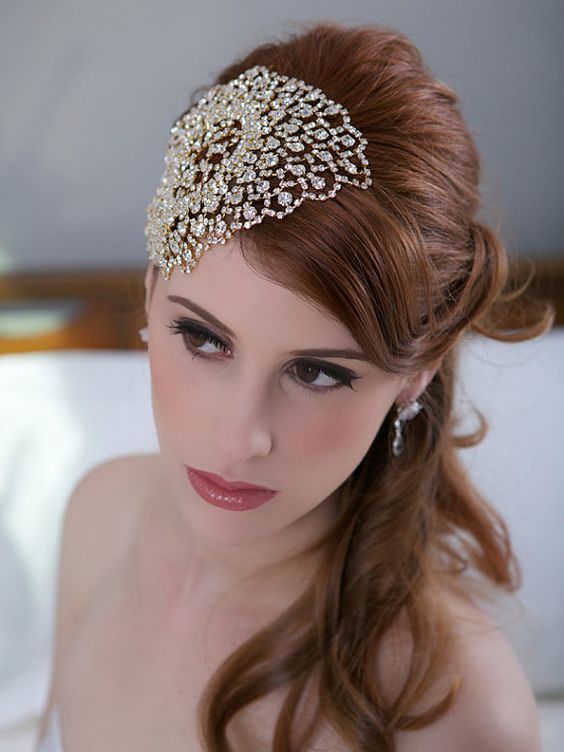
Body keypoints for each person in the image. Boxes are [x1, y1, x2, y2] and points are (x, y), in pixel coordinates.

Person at [35, 20, 553, 752]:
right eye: (204, 338)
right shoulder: (99, 511)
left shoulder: (453, 713)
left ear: (416, 372)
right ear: (152, 294)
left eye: (316, 372)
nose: (240, 438)